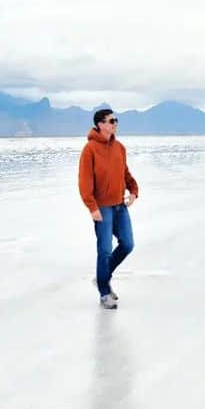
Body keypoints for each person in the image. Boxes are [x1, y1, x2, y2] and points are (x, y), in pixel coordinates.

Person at [78, 108, 139, 309]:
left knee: (127, 244)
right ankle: (104, 292)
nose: (115, 124)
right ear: (100, 124)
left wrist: (133, 191)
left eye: (116, 120)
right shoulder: (90, 150)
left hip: (120, 206)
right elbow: (84, 182)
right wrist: (92, 207)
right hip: (102, 208)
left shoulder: (119, 147)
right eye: (111, 121)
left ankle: (102, 277)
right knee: (104, 250)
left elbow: (126, 174)